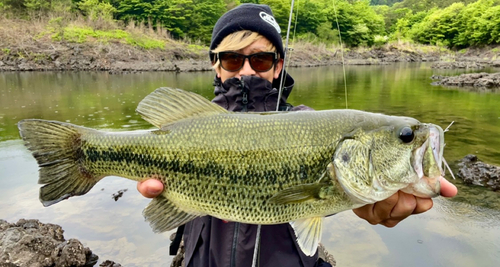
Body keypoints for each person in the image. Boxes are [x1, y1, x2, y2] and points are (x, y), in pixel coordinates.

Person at [137, 3, 458, 267]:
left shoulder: (307, 122)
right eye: (232, 58)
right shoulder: (188, 124)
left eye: (261, 59)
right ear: (215, 65)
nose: (247, 70)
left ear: (278, 66)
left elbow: (327, 193)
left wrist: (360, 201)